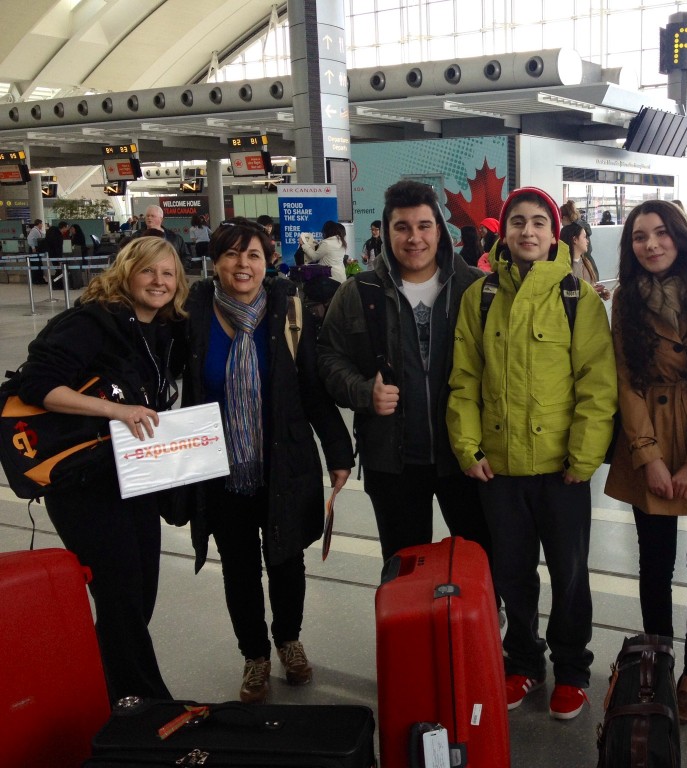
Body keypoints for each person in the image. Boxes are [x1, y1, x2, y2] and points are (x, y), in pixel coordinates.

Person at [447, 186, 617, 721]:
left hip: (562, 472)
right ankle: (522, 661)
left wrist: (583, 458)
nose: (527, 231)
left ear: (554, 233)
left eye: (538, 222)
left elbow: (597, 383)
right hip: (500, 469)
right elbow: (465, 378)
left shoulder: (576, 296)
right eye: (517, 221)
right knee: (512, 573)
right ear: (504, 230)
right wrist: (468, 446)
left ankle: (571, 669)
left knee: (569, 575)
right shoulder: (481, 296)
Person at [181, 220, 354, 704]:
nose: (243, 264)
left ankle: (288, 640)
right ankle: (254, 654)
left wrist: (339, 453)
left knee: (286, 560)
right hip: (222, 469)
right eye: (232, 255)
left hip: (284, 464)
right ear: (215, 262)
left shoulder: (289, 311)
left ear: (268, 261)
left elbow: (313, 390)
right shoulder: (193, 315)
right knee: (237, 567)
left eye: (253, 255)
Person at [16, 236, 188, 703]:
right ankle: (148, 704)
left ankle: (96, 688)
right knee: (122, 597)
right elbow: (36, 385)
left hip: (133, 476)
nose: (158, 281)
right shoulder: (91, 322)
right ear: (126, 273)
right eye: (148, 271)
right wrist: (118, 411)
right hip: (85, 483)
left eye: (168, 273)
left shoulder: (162, 330)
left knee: (138, 595)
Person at [603, 199, 687, 725]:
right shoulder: (625, 299)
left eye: (661, 233)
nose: (651, 244)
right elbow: (626, 380)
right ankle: (657, 663)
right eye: (640, 237)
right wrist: (648, 457)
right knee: (655, 568)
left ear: (680, 235)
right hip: (651, 434)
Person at [317, 180, 493, 566]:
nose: (414, 238)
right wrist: (364, 392)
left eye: (423, 226)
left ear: (439, 230)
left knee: (482, 561)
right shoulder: (359, 292)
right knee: (405, 569)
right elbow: (328, 357)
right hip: (392, 462)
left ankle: (480, 625)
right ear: (387, 230)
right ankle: (412, 630)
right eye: (402, 227)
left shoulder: (476, 289)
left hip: (467, 457)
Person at [559, 221, 610, 300]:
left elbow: (591, 286)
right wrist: (588, 292)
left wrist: (601, 292)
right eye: (584, 237)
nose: (587, 241)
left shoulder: (586, 262)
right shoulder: (562, 267)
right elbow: (563, 295)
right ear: (575, 239)